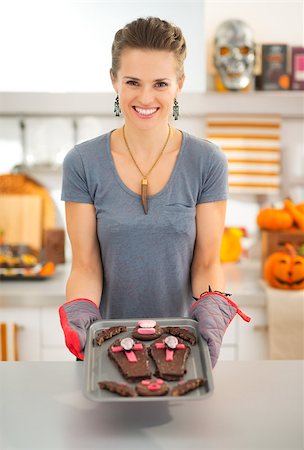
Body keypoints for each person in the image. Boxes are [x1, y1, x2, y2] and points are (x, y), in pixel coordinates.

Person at [59, 17, 250, 367]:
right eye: (133, 81)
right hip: (105, 348)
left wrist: (211, 304)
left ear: (179, 84)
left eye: (160, 83)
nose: (145, 97)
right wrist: (82, 312)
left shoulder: (207, 161)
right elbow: (85, 265)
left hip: (183, 350)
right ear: (114, 80)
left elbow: (207, 261)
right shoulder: (82, 163)